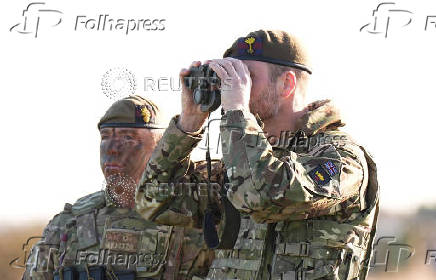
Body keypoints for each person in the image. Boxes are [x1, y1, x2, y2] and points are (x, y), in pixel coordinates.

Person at [136, 30, 379, 280]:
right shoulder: (239, 163)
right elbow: (153, 201)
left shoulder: (340, 157)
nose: (233, 86)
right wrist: (188, 124)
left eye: (247, 77)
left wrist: (237, 111)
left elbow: (263, 196)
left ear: (287, 84)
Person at [22, 95, 214, 280]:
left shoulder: (196, 219)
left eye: (128, 137)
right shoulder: (69, 223)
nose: (112, 148)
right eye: (105, 137)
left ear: (160, 147)